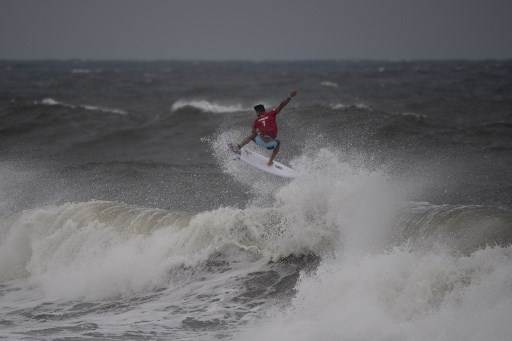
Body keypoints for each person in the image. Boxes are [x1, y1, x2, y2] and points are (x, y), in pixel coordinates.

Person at [232, 90, 298, 166]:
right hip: (271, 144)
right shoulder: (271, 114)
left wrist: (260, 132)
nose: (256, 114)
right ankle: (270, 161)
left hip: (261, 141)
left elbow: (253, 133)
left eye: (256, 112)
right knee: (278, 142)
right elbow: (281, 105)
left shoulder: (256, 120)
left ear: (259, 112)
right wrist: (290, 97)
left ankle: (238, 146)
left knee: (251, 136)